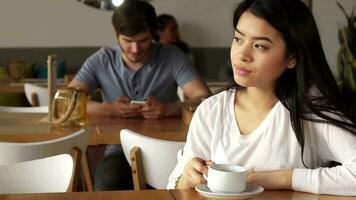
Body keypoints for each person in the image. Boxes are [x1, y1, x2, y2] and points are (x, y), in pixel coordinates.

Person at [168, 0, 356, 196]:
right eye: (238, 39)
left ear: (292, 57)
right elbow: (174, 185)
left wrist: (282, 178)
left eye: (259, 46)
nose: (242, 54)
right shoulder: (212, 110)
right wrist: (186, 180)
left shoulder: (310, 109)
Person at [68, 0, 211, 191]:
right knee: (105, 187)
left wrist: (168, 109)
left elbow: (204, 97)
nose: (135, 50)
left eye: (143, 41)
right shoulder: (102, 59)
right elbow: (68, 100)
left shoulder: (171, 55)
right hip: (118, 150)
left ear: (154, 33)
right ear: (116, 33)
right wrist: (109, 109)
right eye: (127, 41)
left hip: (168, 149)